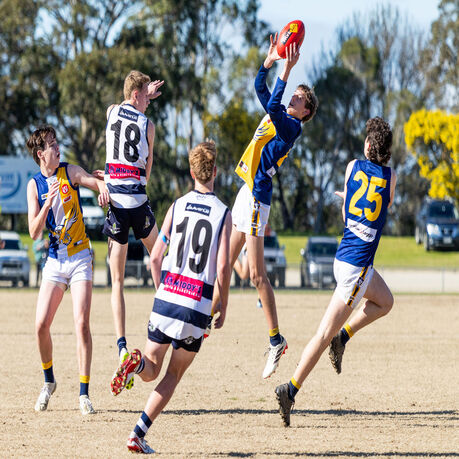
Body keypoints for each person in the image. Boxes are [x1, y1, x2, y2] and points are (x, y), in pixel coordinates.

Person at [110, 141, 232, 454]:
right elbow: (222, 268)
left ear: (191, 172)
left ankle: (135, 363)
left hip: (166, 298)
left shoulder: (177, 206)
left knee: (150, 368)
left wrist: (161, 291)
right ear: (215, 172)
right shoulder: (223, 213)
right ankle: (137, 434)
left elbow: (155, 258)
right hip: (195, 306)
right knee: (172, 375)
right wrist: (223, 304)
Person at [275, 117, 397, 427]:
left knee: (385, 301)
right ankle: (290, 389)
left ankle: (343, 337)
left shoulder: (352, 166)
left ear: (367, 146)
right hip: (357, 269)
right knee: (322, 334)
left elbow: (347, 216)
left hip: (344, 260)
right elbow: (383, 208)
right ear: (387, 151)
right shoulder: (391, 177)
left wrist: (348, 199)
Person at [211, 34, 318, 379]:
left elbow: (272, 106)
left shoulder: (292, 127)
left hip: (258, 197)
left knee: (256, 275)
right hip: (246, 191)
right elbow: (260, 89)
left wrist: (286, 70)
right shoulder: (281, 113)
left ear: (306, 112)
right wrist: (269, 62)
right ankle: (207, 317)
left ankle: (276, 340)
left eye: (299, 98)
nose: (293, 97)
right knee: (224, 262)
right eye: (294, 94)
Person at [26, 125, 109, 415]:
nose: (57, 148)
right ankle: (49, 381)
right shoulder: (34, 185)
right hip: (55, 260)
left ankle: (84, 393)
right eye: (51, 145)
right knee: (40, 325)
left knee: (81, 323)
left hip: (80, 257)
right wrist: (46, 204)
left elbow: (92, 181)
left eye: (56, 142)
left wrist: (103, 188)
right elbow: (34, 232)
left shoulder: (69, 171)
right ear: (40, 154)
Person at [103, 70, 164, 381]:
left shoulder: (111, 112)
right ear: (138, 94)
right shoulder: (148, 126)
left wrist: (142, 95)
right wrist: (143, 102)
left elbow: (125, 104)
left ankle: (122, 347)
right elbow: (147, 170)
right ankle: (169, 319)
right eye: (146, 98)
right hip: (137, 202)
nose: (149, 103)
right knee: (160, 258)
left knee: (117, 280)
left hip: (115, 204)